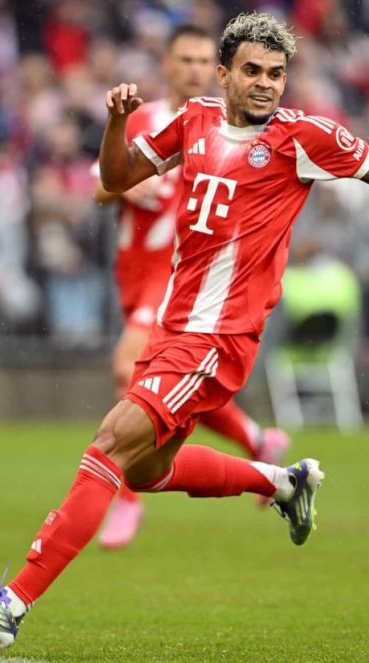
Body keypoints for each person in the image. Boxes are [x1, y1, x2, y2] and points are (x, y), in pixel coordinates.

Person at [0, 13, 369, 649]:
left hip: (219, 339)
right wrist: (113, 122)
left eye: (277, 74)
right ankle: (281, 480)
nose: (267, 84)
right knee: (141, 471)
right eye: (253, 71)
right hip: (175, 326)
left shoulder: (305, 138)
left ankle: (13, 602)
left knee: (109, 443)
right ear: (225, 75)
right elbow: (114, 180)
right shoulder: (193, 121)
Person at [91, 24, 291, 550]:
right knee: (172, 387)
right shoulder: (160, 118)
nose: (196, 70)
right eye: (187, 59)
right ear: (168, 63)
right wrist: (135, 185)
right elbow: (100, 187)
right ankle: (258, 440)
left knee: (126, 372)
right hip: (136, 270)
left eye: (205, 60)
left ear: (217, 69)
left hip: (181, 274)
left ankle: (126, 503)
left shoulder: (235, 127)